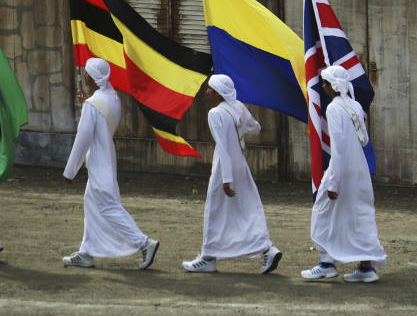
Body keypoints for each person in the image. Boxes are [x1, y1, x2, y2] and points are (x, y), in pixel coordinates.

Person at [62, 57, 159, 270]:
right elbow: (98, 120)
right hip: (106, 159)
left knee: (107, 207)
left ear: (93, 77)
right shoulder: (112, 97)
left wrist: (70, 171)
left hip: (98, 160)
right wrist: (88, 103)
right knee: (92, 205)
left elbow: (83, 138)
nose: (84, 75)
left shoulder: (93, 105)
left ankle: (144, 243)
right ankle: (86, 252)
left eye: (86, 73)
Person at [182, 75, 281, 274]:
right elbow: (256, 128)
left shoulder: (215, 113)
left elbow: (223, 147)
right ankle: (266, 249)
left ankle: (208, 257)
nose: (207, 92)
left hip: (224, 166)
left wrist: (226, 179)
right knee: (246, 208)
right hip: (240, 164)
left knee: (215, 209)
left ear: (218, 92)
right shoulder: (238, 107)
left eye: (210, 89)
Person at [301, 65, 385, 283]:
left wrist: (333, 183)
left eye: (326, 83)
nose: (323, 86)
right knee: (360, 216)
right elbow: (364, 139)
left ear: (333, 86)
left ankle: (326, 263)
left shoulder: (334, 108)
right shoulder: (355, 105)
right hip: (359, 169)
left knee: (322, 214)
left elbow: (337, 148)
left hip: (341, 170)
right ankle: (366, 269)